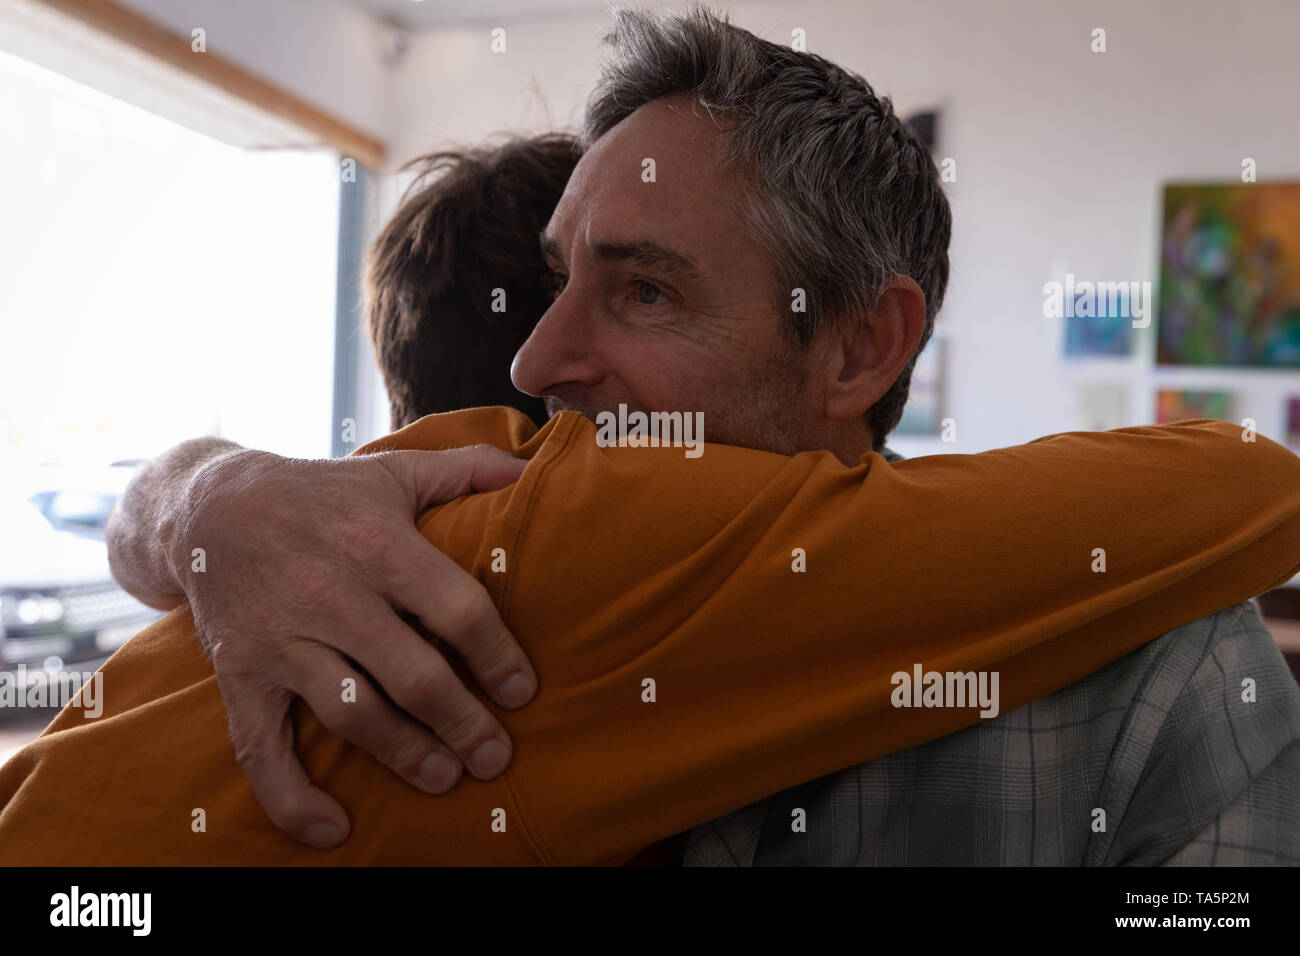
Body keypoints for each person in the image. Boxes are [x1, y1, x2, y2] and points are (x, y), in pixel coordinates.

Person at [20, 5, 1295, 864]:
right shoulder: (399, 562)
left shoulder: (1148, 678)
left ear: (859, 345)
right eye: (556, 277)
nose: (533, 362)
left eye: (642, 290)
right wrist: (205, 501)